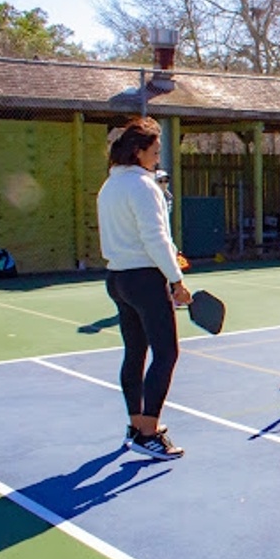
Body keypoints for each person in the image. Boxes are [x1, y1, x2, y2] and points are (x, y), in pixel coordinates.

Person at [97, 116, 191, 460]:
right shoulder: (143, 186)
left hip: (118, 280)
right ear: (138, 152)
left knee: (135, 353)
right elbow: (155, 238)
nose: (157, 158)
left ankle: (136, 423)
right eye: (154, 151)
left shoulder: (111, 186)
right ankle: (148, 433)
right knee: (166, 353)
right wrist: (176, 281)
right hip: (144, 280)